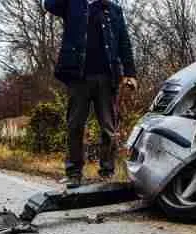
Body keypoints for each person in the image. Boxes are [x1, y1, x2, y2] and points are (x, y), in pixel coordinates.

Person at [44, 0, 137, 188]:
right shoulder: (73, 4)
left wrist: (130, 73)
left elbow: (124, 42)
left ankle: (107, 172)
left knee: (108, 128)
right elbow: (50, 4)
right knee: (75, 125)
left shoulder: (113, 10)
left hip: (107, 77)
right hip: (78, 76)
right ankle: (74, 173)